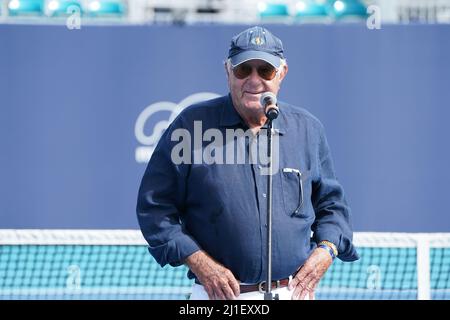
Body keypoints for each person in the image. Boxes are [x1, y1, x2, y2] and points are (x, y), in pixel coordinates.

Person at [136, 26, 359, 300]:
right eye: (244, 70)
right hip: (220, 297)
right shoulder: (191, 127)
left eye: (265, 70)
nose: (254, 80)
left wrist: (326, 249)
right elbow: (155, 208)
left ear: (282, 73)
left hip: (293, 293)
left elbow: (332, 207)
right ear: (228, 72)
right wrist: (201, 264)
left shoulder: (308, 130)